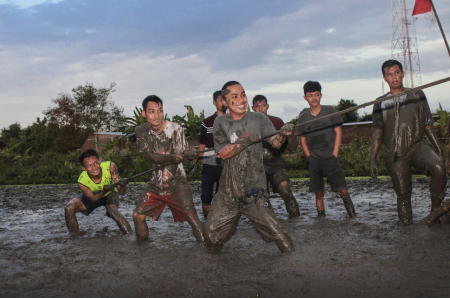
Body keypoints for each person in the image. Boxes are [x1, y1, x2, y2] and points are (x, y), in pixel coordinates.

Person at [204, 81, 295, 253]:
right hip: (228, 192)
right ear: (224, 102)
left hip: (255, 190)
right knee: (210, 234)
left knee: (278, 234)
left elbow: (275, 143)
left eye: (243, 94)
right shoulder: (220, 122)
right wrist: (248, 140)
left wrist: (283, 135)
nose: (241, 100)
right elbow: (224, 153)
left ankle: (293, 265)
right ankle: (214, 272)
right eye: (235, 97)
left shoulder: (259, 118)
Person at [370, 59, 447, 224]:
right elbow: (377, 131)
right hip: (394, 153)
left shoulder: (417, 94)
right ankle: (406, 229)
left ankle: (436, 211)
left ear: (403, 73)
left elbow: (427, 124)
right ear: (385, 78)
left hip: (416, 146)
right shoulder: (379, 102)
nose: (394, 77)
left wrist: (439, 149)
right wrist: (372, 158)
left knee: (439, 167)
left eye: (397, 72)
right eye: (389, 75)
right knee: (403, 193)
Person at [132, 95, 204, 241]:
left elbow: (185, 152)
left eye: (159, 111)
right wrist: (171, 157)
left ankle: (209, 249)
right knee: (137, 216)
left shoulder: (176, 128)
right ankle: (143, 249)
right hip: (156, 184)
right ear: (144, 113)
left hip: (177, 181)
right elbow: (150, 156)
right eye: (151, 112)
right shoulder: (141, 130)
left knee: (191, 216)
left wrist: (190, 154)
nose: (156, 116)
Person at [294, 81, 356, 218]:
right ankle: (321, 220)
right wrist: (309, 157)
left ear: (321, 95)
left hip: (330, 158)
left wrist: (334, 154)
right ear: (305, 97)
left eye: (316, 95)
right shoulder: (303, 117)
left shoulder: (330, 111)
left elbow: (338, 132)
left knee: (343, 191)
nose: (314, 98)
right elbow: (302, 139)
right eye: (310, 96)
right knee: (319, 193)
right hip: (314, 159)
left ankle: (353, 216)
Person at [251, 95, 300, 217]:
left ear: (267, 106)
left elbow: (285, 142)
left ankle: (296, 221)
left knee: (286, 191)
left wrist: (277, 152)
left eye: (263, 105)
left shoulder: (277, 121)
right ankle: (270, 225)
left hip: (275, 163)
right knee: (262, 198)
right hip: (257, 166)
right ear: (253, 108)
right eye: (257, 106)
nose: (261, 109)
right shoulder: (249, 125)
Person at [65, 149, 132, 234]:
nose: (94, 168)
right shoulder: (82, 181)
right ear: (84, 168)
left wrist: (123, 185)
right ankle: (74, 238)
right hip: (95, 196)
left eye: (96, 163)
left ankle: (130, 235)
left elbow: (121, 192)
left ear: (100, 161)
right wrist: (103, 191)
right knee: (69, 208)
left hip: (110, 193)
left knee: (112, 210)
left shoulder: (110, 166)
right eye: (89, 166)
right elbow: (92, 199)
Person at [196, 91, 226, 220]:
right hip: (209, 165)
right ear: (215, 103)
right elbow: (202, 144)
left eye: (225, 100)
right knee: (206, 197)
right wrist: (197, 162)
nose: (223, 103)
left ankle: (220, 223)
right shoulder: (207, 122)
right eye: (220, 100)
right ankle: (208, 223)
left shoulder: (232, 121)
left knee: (223, 197)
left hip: (225, 165)